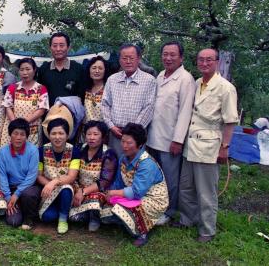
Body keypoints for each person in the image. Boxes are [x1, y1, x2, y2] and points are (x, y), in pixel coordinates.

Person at [176, 48, 239, 243]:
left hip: (210, 144)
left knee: (206, 191)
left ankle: (207, 229)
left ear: (217, 62)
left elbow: (230, 121)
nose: (204, 63)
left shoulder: (225, 87)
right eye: (201, 60)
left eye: (209, 60)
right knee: (186, 186)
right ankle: (187, 219)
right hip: (191, 141)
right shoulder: (196, 83)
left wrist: (225, 147)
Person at [146, 41, 196, 225]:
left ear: (181, 57)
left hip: (170, 140)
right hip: (153, 137)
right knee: (155, 177)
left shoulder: (185, 79)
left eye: (172, 55)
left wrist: (178, 140)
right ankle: (155, 206)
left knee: (170, 179)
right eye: (165, 54)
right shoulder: (160, 76)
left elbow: (185, 112)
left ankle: (169, 211)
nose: (168, 58)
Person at [101, 123, 169, 247]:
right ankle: (129, 221)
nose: (124, 146)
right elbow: (118, 182)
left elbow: (137, 192)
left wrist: (114, 193)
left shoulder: (146, 163)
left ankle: (142, 232)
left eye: (129, 143)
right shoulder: (123, 158)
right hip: (133, 196)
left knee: (123, 210)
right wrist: (110, 194)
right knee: (105, 212)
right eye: (123, 142)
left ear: (140, 144)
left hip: (152, 200)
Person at [101, 43, 157, 156]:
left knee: (134, 167)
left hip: (136, 135)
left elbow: (149, 107)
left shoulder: (149, 80)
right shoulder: (112, 79)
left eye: (131, 58)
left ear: (138, 59)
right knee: (114, 165)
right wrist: (111, 125)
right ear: (120, 60)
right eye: (124, 58)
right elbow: (105, 104)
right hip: (115, 133)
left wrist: (132, 131)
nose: (128, 61)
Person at [69, 121, 118, 232]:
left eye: (96, 134)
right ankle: (83, 213)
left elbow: (105, 181)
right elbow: (73, 171)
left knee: (95, 201)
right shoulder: (79, 148)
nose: (91, 138)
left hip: (98, 190)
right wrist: (78, 189)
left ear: (103, 136)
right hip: (79, 187)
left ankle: (94, 218)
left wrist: (84, 191)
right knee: (72, 213)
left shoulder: (109, 153)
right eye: (89, 134)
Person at [37, 118, 80, 234]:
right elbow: (39, 175)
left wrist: (54, 182)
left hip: (66, 187)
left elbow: (71, 177)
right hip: (48, 189)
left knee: (65, 189)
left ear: (67, 135)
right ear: (49, 135)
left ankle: (63, 218)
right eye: (54, 133)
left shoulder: (74, 151)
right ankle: (63, 211)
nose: (57, 137)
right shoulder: (41, 150)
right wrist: (49, 185)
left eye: (61, 133)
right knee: (47, 217)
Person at [0, 118, 40, 229]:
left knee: (28, 194)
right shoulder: (3, 152)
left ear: (27, 136)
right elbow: (2, 176)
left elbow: (32, 176)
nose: (18, 137)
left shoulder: (33, 150)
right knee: (14, 221)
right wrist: (8, 196)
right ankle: (17, 207)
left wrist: (17, 194)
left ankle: (29, 219)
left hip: (28, 187)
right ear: (10, 134)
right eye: (15, 133)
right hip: (11, 188)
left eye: (22, 134)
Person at [0, 58, 49, 146]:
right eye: (22, 69)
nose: (25, 72)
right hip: (13, 127)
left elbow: (41, 110)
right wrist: (15, 124)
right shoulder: (12, 88)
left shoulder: (41, 89)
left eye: (28, 69)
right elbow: (7, 107)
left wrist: (23, 123)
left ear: (34, 71)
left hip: (32, 130)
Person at [37, 32, 85, 106]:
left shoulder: (78, 69)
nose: (58, 49)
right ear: (50, 48)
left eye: (61, 45)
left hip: (71, 115)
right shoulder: (43, 69)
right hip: (48, 115)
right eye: (55, 46)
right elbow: (39, 95)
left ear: (68, 47)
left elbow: (82, 95)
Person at [83, 56, 109, 123]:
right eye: (94, 68)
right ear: (89, 70)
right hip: (86, 131)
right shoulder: (85, 89)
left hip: (103, 131)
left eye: (100, 68)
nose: (97, 71)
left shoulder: (108, 90)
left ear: (105, 71)